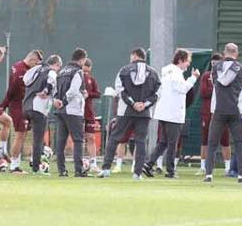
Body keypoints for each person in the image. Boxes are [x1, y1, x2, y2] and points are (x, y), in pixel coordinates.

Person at [98, 48, 161, 180]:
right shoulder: (154, 73)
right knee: (140, 141)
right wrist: (144, 104)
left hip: (125, 111)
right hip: (144, 112)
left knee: (114, 138)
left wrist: (132, 103)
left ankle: (106, 169)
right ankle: (137, 173)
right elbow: (157, 94)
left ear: (134, 56)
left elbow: (119, 90)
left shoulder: (124, 70)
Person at [145, 49, 199, 178]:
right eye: (187, 61)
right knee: (172, 143)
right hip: (172, 113)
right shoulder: (175, 73)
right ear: (180, 60)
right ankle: (170, 170)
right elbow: (182, 88)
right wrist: (193, 78)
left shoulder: (167, 71)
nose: (188, 64)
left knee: (163, 142)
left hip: (164, 112)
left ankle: (148, 164)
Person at [204, 43, 242, 184]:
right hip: (236, 109)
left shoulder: (216, 67)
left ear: (224, 52)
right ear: (237, 53)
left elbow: (215, 84)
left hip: (219, 109)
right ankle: (241, 176)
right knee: (239, 143)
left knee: (212, 143)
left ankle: (209, 174)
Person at [0, 49, 43, 174]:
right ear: (32, 59)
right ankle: (14, 166)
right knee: (19, 135)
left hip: (22, 105)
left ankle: (16, 163)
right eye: (36, 63)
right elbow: (12, 90)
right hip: (19, 106)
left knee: (22, 135)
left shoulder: (18, 66)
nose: (36, 66)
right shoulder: (21, 70)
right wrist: (4, 104)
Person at [23, 54, 63, 175]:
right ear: (56, 65)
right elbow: (51, 82)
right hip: (38, 108)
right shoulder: (51, 72)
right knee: (38, 139)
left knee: (30, 137)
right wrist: (46, 91)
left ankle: (29, 161)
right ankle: (36, 167)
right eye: (59, 67)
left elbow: (25, 79)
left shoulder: (37, 68)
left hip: (26, 105)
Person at [54, 48, 89, 177]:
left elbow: (55, 89)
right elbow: (73, 90)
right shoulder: (77, 71)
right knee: (78, 140)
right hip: (73, 110)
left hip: (60, 110)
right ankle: (79, 170)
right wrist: (64, 101)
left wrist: (58, 101)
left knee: (61, 141)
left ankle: (61, 170)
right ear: (82, 59)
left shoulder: (62, 71)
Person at [199, 53, 230, 175]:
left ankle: (227, 168)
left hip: (222, 111)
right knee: (205, 139)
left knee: (225, 140)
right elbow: (203, 92)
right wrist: (215, 88)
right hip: (207, 112)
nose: (215, 64)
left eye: (217, 62)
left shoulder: (226, 75)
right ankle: (203, 166)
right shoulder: (206, 76)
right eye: (213, 62)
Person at [82, 58, 103, 170]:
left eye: (87, 70)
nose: (85, 73)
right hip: (77, 113)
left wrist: (88, 94)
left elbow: (98, 94)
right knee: (78, 139)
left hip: (89, 113)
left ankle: (93, 163)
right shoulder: (75, 78)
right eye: (83, 70)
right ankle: (79, 162)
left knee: (91, 137)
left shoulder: (91, 79)